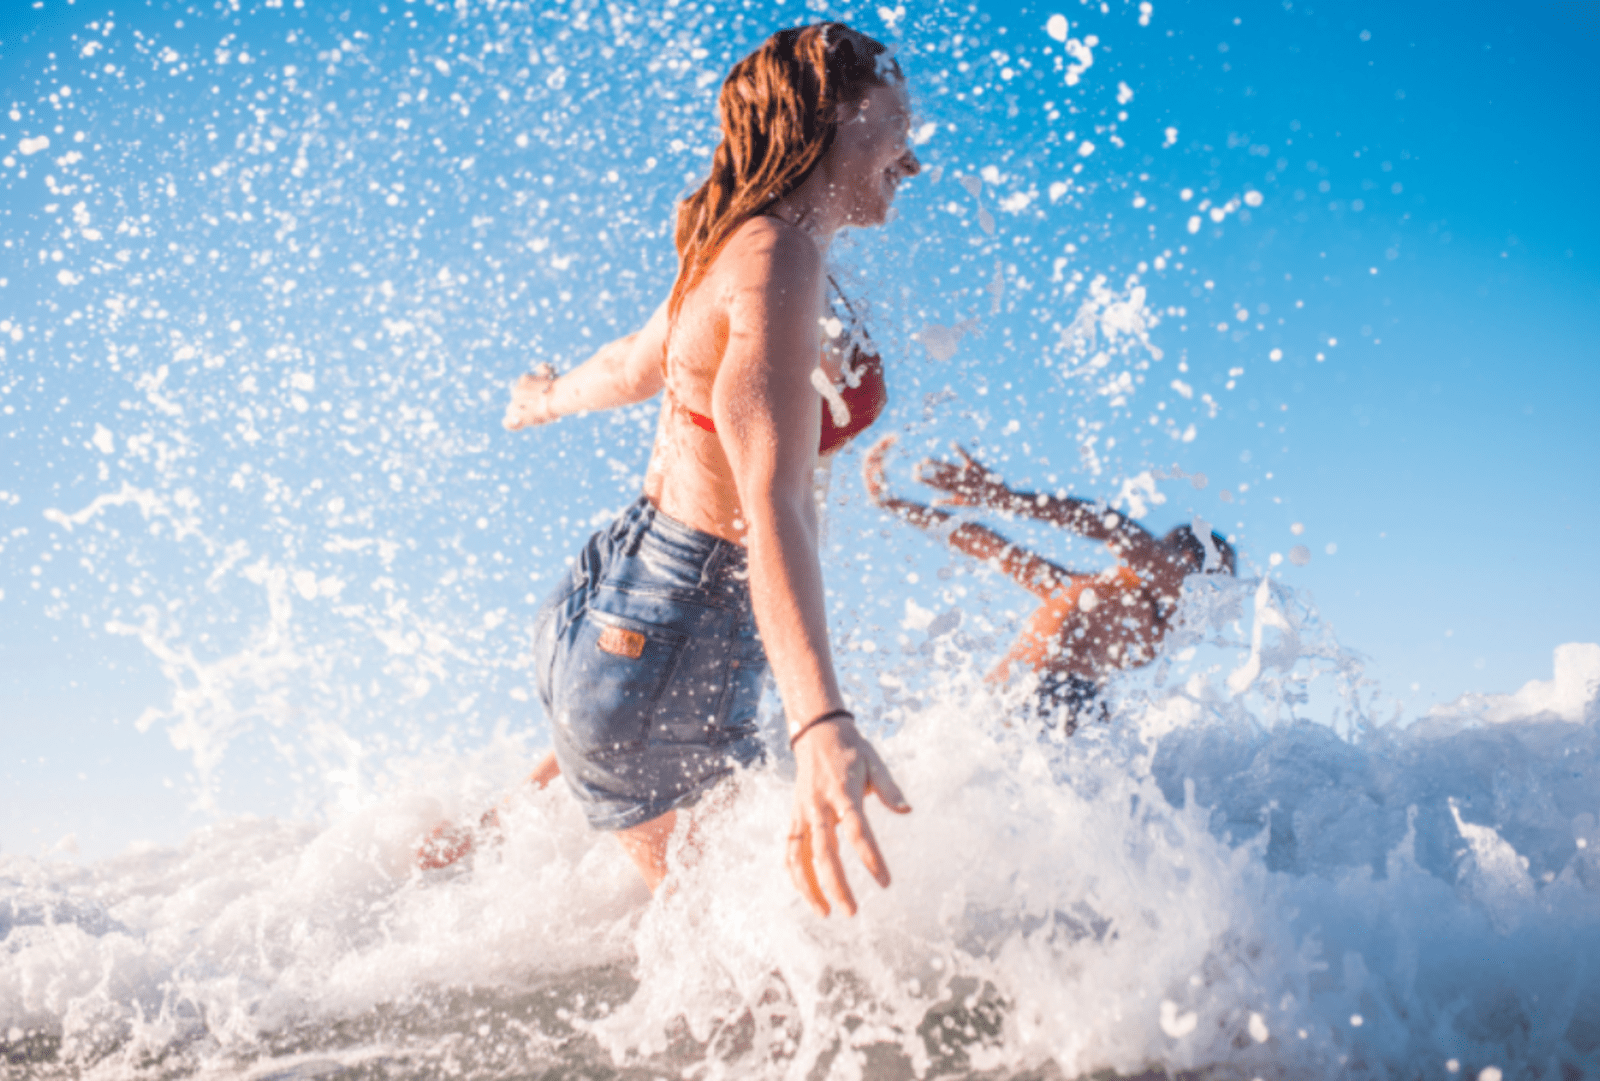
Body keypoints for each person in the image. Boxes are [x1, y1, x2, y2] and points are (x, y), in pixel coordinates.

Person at [429, 24, 920, 917]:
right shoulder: (775, 257)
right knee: (746, 988)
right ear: (833, 121)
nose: (912, 158)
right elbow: (772, 506)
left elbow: (630, 364)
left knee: (693, 925)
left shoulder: (734, 248)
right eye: (897, 126)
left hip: (610, 610)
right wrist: (821, 721)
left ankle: (464, 843)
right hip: (673, 636)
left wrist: (544, 397)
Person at [864, 437, 1236, 732]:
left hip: (1022, 701)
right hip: (1043, 698)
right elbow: (1107, 525)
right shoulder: (1161, 580)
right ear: (1185, 561)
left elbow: (988, 544)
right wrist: (897, 503)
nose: (1223, 598)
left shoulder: (1115, 600)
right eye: (1222, 580)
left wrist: (897, 503)